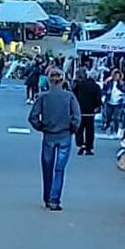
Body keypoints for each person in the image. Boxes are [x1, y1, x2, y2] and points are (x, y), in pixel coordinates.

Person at [28, 69, 81, 211]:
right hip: (64, 134)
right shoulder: (69, 97)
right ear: (62, 80)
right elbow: (77, 117)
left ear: (49, 80)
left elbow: (33, 117)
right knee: (59, 169)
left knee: (47, 167)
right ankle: (54, 199)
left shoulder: (43, 97)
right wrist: (72, 129)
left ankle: (47, 196)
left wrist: (41, 127)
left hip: (49, 134)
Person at [72, 67, 102, 155]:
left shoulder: (80, 85)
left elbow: (74, 95)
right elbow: (98, 98)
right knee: (90, 130)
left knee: (79, 129)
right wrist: (97, 106)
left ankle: (80, 145)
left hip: (80, 110)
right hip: (90, 112)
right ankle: (89, 147)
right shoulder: (96, 86)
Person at [103, 70, 125, 135]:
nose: (116, 77)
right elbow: (104, 90)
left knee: (116, 118)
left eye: (118, 76)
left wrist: (121, 94)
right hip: (109, 102)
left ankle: (116, 130)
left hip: (118, 103)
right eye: (115, 75)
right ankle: (107, 128)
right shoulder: (108, 82)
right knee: (108, 116)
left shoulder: (122, 83)